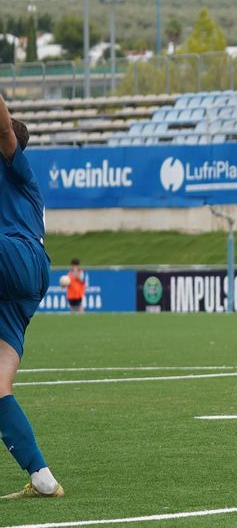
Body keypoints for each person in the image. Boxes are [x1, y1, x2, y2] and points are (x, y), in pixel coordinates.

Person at [0, 91, 62, 498]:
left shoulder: (14, 164)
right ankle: (42, 478)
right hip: (23, 285)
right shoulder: (24, 190)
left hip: (19, 258)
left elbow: (4, 128)